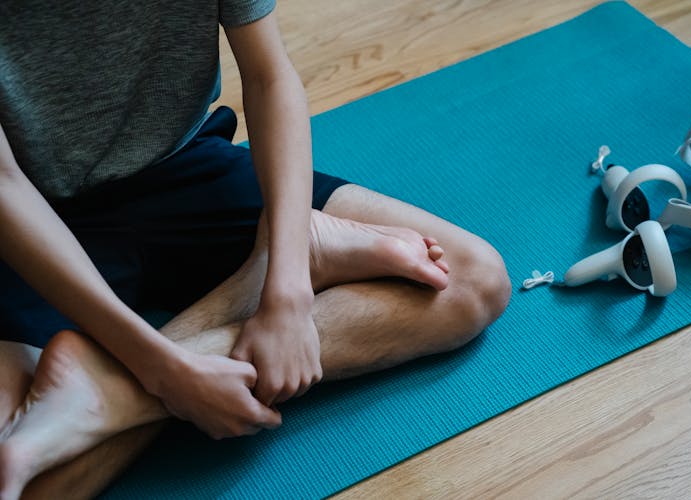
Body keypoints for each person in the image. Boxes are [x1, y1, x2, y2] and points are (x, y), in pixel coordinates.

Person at [0, 0, 511, 498]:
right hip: (30, 224)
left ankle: (104, 393)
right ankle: (275, 266)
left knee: (470, 278)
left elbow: (270, 77)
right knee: (28, 480)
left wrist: (288, 295)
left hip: (187, 169)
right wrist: (160, 370)